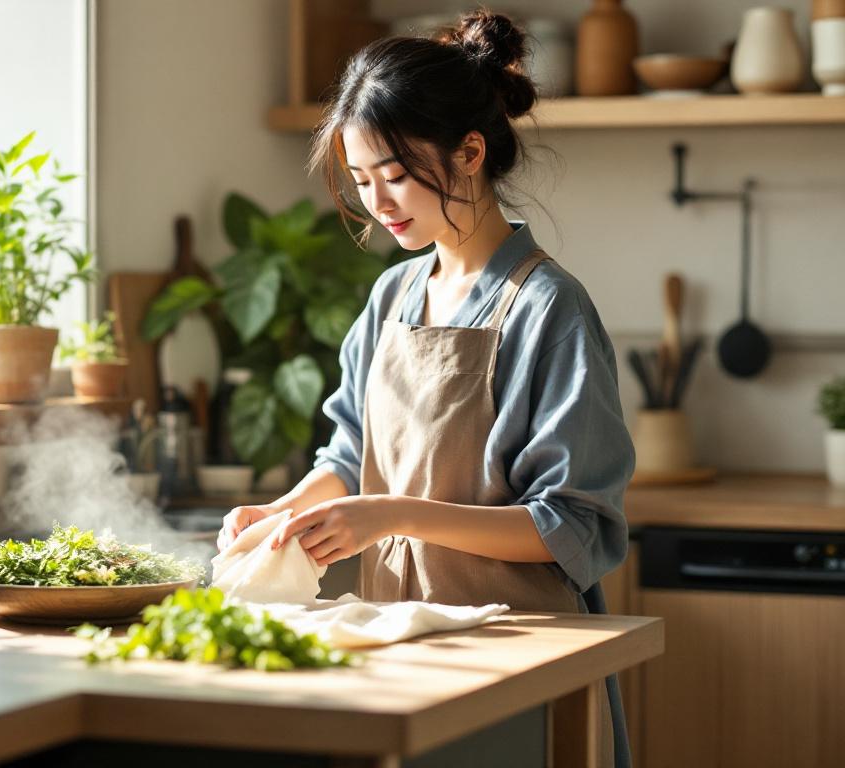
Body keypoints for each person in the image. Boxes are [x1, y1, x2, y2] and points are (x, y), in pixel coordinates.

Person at [214, 10, 635, 766]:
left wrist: (392, 515)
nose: (378, 203)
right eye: (363, 180)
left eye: (397, 175)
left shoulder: (548, 309)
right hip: (404, 642)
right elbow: (351, 449)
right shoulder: (394, 296)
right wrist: (284, 512)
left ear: (470, 151)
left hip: (517, 649)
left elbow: (570, 525)